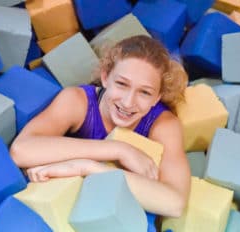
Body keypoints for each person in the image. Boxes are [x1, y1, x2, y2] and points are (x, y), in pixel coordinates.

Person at [10, 35, 191, 218]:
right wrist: (119, 150)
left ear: (157, 97)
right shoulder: (78, 101)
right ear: (105, 77)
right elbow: (20, 151)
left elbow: (175, 204)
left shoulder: (164, 124)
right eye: (121, 84)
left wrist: (86, 168)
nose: (128, 102)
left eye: (144, 92)